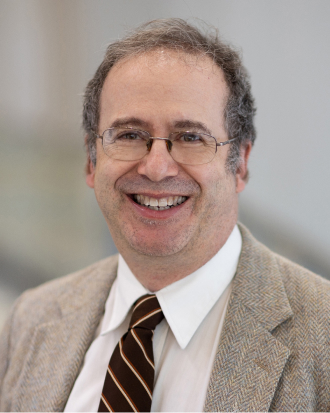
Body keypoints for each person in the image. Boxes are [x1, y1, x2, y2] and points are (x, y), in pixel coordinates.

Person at [1, 18, 330, 412]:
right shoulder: (29, 321)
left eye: (191, 137)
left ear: (239, 163)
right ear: (91, 161)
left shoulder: (321, 335)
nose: (156, 168)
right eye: (129, 135)